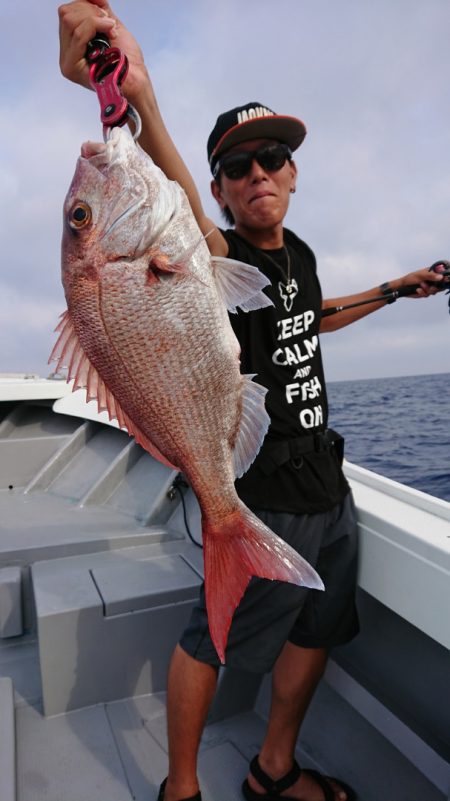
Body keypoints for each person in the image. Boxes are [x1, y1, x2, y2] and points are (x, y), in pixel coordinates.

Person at [58, 4, 447, 801]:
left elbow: (315, 314)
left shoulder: (296, 254)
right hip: (255, 489)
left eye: (272, 157)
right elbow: (185, 219)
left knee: (321, 627)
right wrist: (142, 100)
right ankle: (183, 788)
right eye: (238, 168)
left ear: (296, 172)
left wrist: (394, 289)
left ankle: (274, 768)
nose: (259, 173)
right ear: (219, 193)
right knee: (214, 639)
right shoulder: (211, 252)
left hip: (327, 487)